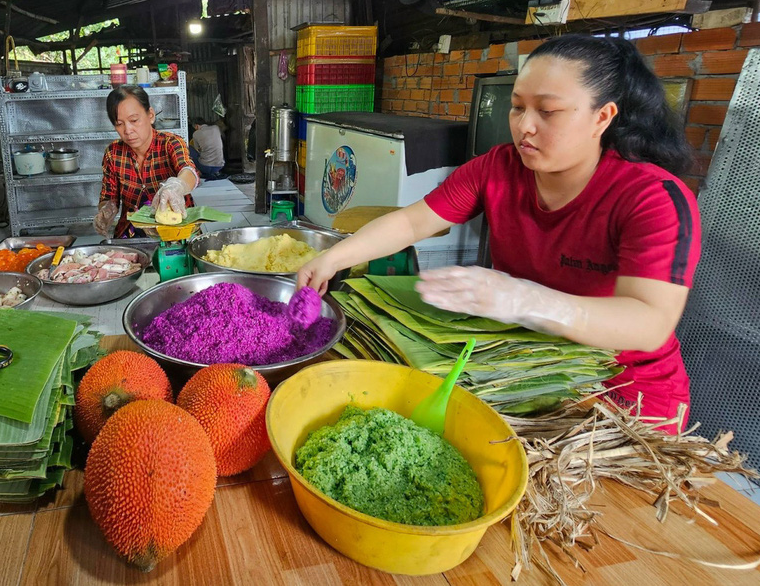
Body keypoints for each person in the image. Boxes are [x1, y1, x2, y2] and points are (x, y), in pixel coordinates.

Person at [298, 34, 701, 434]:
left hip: (624, 399)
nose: (525, 126)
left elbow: (649, 322)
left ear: (602, 117)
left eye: (548, 111)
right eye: (517, 107)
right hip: (521, 371)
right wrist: (333, 257)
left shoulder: (652, 198)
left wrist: (522, 299)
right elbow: (411, 222)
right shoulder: (498, 167)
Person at [95, 86, 200, 239]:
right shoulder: (113, 153)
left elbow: (188, 170)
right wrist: (106, 210)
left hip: (176, 229)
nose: (128, 130)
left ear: (150, 115)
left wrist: (176, 186)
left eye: (134, 120)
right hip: (132, 232)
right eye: (119, 123)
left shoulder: (170, 143)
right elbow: (109, 196)